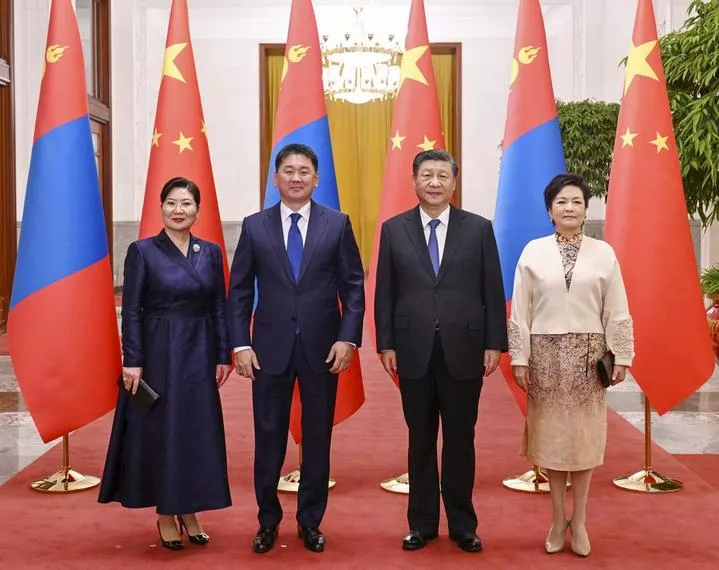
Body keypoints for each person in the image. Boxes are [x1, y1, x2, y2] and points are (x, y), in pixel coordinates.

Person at [227, 143, 365, 554]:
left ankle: (310, 521)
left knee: (317, 438)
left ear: (316, 179)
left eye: (304, 171)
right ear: (276, 179)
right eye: (288, 170)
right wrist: (240, 343)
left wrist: (347, 337)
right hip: (268, 348)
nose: (296, 177)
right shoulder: (255, 226)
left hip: (323, 348)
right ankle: (267, 520)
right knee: (268, 437)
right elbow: (238, 291)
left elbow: (353, 287)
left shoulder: (336, 224)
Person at [374, 149, 508, 553]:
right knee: (420, 439)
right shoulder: (394, 229)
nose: (434, 182)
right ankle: (421, 523)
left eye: (442, 176)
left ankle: (463, 524)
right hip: (412, 350)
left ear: (453, 182)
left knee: (461, 439)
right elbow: (385, 291)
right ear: (414, 180)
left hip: (464, 349)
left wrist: (494, 342)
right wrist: (386, 343)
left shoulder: (478, 228)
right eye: (427, 175)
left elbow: (492, 288)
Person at [98, 177, 233, 550]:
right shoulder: (142, 251)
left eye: (186, 204)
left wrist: (222, 354)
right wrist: (133, 360)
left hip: (199, 350)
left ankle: (189, 509)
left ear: (197, 211)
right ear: (161, 208)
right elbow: (132, 310)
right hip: (158, 351)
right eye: (171, 203)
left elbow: (219, 307)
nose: (178, 210)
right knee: (162, 431)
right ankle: (164, 513)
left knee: (195, 430)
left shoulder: (211, 253)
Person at [508, 173, 635, 557]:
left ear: (585, 209)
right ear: (550, 210)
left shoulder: (604, 253)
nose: (569, 208)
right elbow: (521, 310)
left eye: (577, 202)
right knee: (551, 441)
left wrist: (622, 354)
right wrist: (519, 357)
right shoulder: (532, 251)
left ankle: (579, 521)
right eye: (561, 202)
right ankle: (556, 518)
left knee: (583, 442)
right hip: (545, 357)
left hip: (588, 358)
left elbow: (616, 307)